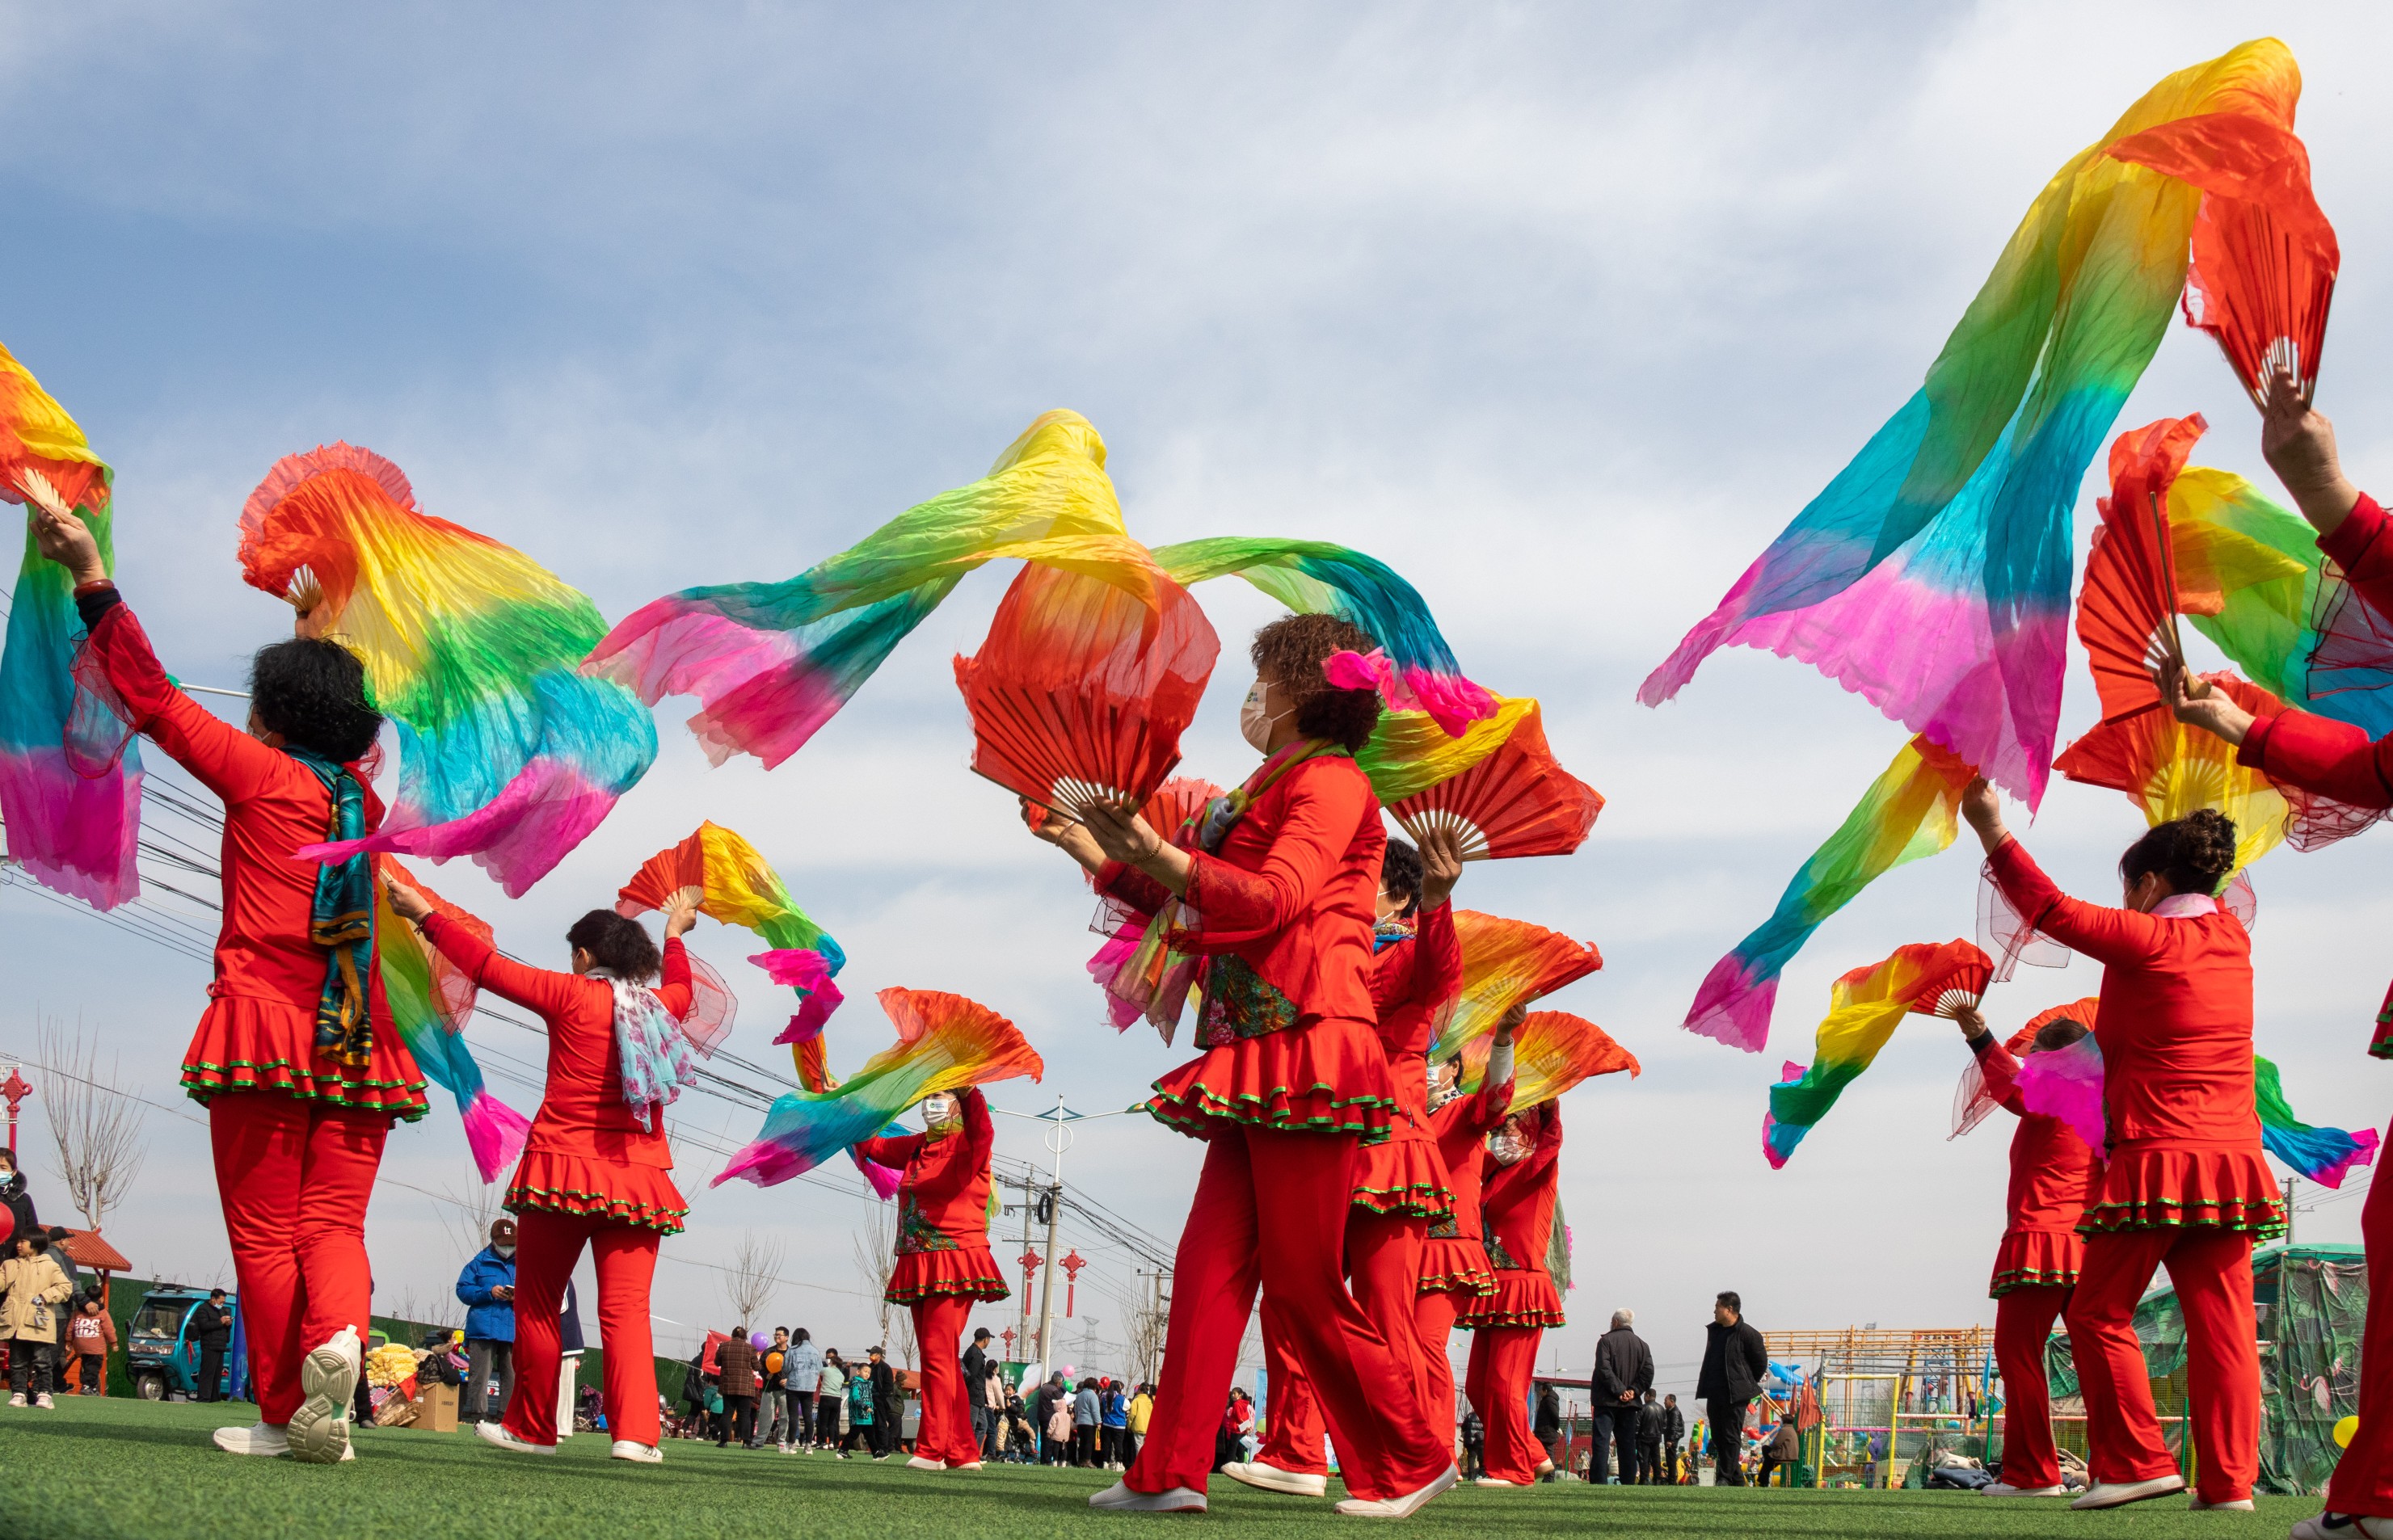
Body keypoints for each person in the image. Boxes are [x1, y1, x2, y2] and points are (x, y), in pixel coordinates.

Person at [1027, 614, 1456, 1517]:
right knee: (1206, 1268)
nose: (1251, 696)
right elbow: (1195, 888)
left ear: (1304, 690)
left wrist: (1149, 849)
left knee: (1303, 1281)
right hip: (1260, 1043)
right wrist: (1092, 848)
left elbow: (1272, 896)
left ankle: (1411, 1453)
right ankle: (1170, 1470)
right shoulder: (1269, 781)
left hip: (1310, 1039)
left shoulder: (1334, 783)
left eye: (1263, 681)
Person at [28, 503, 427, 1464]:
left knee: (263, 1230)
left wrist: (90, 572)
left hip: (266, 1025)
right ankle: (340, 1339)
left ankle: (288, 1413)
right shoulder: (358, 796)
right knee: (334, 1223)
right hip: (360, 1035)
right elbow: (327, 726)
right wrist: (314, 641)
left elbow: (153, 696)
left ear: (274, 716)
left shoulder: (259, 773)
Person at [2159, 377, 2393, 1540]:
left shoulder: (2162, 944)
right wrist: (2236, 724)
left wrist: (2325, 489)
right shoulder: (2203, 943)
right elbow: (2371, 771)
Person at [1966, 787, 2273, 1512]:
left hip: (2158, 1153)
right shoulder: (2233, 939)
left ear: (2148, 885)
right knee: (2223, 1326)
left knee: (2099, 1311)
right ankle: (2229, 1485)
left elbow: (2048, 908)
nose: (2125, 904)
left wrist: (1991, 828)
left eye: (2128, 889)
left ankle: (2137, 1460)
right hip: (2231, 1160)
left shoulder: (2151, 939)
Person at [392, 876, 705, 1462]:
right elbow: (682, 985)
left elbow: (485, 966)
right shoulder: (664, 1006)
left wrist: (425, 914)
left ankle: (533, 1430)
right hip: (639, 1179)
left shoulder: (566, 993)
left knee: (537, 1303)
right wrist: (675, 932)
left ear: (584, 956)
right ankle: (636, 1435)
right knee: (627, 1312)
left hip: (561, 1171)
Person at [1229, 831, 1467, 1502]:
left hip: (1390, 1150)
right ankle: (1297, 1450)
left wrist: (1440, 903)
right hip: (1329, 1142)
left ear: (1392, 893)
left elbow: (1437, 972)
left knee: (1386, 1316)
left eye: (1354, 875)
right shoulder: (1337, 951)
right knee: (1291, 1298)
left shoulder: (1401, 956)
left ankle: (1406, 1463)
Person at [1949, 1000, 2100, 1499]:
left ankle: (2034, 1474)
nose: (2028, 1060)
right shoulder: (2107, 1099)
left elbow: (2011, 1088)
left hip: (2040, 1239)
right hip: (2092, 1243)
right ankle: (2120, 1468)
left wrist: (1979, 1035)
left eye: (2035, 1054)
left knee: (2017, 1353)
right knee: (2102, 1357)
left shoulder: (2054, 1094)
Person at [853, 1088, 1008, 1471]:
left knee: (938, 1358)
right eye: (926, 1095)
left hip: (954, 1259)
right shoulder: (917, 1145)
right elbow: (872, 1145)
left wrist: (969, 1085)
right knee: (938, 1360)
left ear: (957, 1101)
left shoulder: (972, 1143)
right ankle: (961, 1451)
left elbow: (983, 1127)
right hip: (919, 1261)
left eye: (940, 1094)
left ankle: (932, 1448)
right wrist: (846, 1104)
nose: (929, 1103)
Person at [1416, 1008, 1519, 1457]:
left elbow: (1496, 1099)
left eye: (1430, 1061)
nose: (1423, 1071)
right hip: (1404, 1245)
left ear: (1454, 1067)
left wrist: (1502, 1043)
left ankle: (1438, 1455)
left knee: (1425, 1345)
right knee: (1394, 1349)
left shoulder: (1464, 1111)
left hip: (1448, 1247)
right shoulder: (1405, 1116)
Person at [1465, 1098, 1565, 1488]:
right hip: (1490, 1291)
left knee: (1505, 1386)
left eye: (1512, 1128)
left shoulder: (1539, 1168)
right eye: (1501, 1129)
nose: (1504, 1135)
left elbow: (1553, 1137)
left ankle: (1512, 1469)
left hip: (1522, 1289)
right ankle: (1535, 1456)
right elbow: (1469, 1144)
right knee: (1477, 1386)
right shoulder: (1490, 1175)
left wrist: (1547, 1097)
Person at [1696, 1292, 1767, 1487]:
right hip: (1715, 1392)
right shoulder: (1716, 1331)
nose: (1714, 1310)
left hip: (1736, 1394)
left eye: (1717, 1307)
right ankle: (1736, 1478)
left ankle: (1724, 1477)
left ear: (1729, 1310)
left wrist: (1745, 1383)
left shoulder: (1748, 1334)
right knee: (1718, 1436)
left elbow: (1760, 1363)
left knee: (1731, 1435)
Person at [454, 1219, 520, 1426]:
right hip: (482, 1327)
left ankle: (504, 1418)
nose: (508, 1248)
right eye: (504, 1243)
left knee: (511, 1375)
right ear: (493, 1241)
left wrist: (517, 1297)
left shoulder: (525, 1263)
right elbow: (462, 1290)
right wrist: (488, 1292)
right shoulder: (478, 1263)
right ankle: (478, 1417)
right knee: (479, 1375)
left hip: (512, 1327)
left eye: (512, 1243)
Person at [0, 1231, 71, 1407]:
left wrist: (44, 1296)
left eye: (23, 1241)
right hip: (15, 1322)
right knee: (17, 1362)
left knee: (42, 1360)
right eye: (18, 1241)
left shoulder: (50, 1266)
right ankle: (18, 1393)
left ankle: (45, 1394)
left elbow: (65, 1287)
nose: (18, 1245)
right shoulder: (9, 1265)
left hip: (38, 1321)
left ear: (35, 1243)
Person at [1590, 1306, 1653, 1484]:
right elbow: (1648, 1373)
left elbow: (1604, 1368)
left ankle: (1599, 1480)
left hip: (1606, 1401)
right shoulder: (1642, 1345)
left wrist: (1619, 1391)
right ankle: (1628, 1481)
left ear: (1615, 1322)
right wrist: (1633, 1391)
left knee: (1602, 1442)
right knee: (1627, 1444)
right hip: (1630, 1404)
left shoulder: (1606, 1342)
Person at [717, 1329, 760, 1449]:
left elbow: (716, 1362)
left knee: (727, 1413)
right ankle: (746, 1442)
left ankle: (723, 1441)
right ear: (745, 1337)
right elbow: (757, 1367)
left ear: (732, 1335)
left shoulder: (723, 1346)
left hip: (728, 1385)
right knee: (745, 1415)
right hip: (745, 1387)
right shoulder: (750, 1348)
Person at [66, 1295, 116, 1395]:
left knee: (86, 1364)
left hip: (81, 1344)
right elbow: (109, 1329)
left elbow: (71, 1326)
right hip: (96, 1345)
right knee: (94, 1365)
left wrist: (68, 1340)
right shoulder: (102, 1312)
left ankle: (90, 1386)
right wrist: (114, 1343)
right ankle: (88, 1386)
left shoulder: (78, 1311)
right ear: (101, 1298)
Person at [192, 1289, 234, 1403]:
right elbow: (204, 1326)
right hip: (209, 1345)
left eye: (223, 1302)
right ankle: (203, 1398)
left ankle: (215, 1398)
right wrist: (220, 1322)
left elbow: (224, 1327)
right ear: (213, 1299)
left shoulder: (223, 1310)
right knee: (207, 1373)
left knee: (217, 1374)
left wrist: (228, 1324)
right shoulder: (203, 1309)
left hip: (220, 1345)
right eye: (220, 1302)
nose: (222, 1304)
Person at [786, 1328, 823, 1453]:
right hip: (809, 1387)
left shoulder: (792, 1350)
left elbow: (786, 1368)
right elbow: (820, 1369)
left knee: (793, 1416)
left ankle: (792, 1445)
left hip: (793, 1386)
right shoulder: (815, 1351)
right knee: (808, 1416)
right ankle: (808, 1445)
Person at [962, 1328, 995, 1458]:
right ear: (986, 1339)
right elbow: (971, 1376)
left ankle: (973, 1453)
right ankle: (968, 1454)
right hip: (974, 1395)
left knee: (983, 1425)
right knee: (972, 1426)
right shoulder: (976, 1354)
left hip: (978, 1397)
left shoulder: (972, 1351)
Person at [758, 1328, 790, 1450]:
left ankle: (782, 1442)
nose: (777, 1337)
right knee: (765, 1416)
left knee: (785, 1417)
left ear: (786, 1337)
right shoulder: (768, 1352)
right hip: (769, 1389)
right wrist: (765, 1374)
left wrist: (789, 1380)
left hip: (785, 1391)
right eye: (775, 1335)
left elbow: (796, 1370)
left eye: (779, 1335)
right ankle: (759, 1441)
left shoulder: (791, 1353)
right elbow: (760, 1367)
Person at [0, 1150, 37, 1255]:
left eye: (3, 1168)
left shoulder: (24, 1200)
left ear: (14, 1172)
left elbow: (33, 1232)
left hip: (14, 1261)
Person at [866, 1345, 899, 1460]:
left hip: (881, 1401)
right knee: (871, 1425)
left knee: (881, 1425)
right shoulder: (869, 1368)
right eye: (870, 1354)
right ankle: (874, 1448)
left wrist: (881, 1397)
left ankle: (883, 1448)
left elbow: (889, 1387)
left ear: (879, 1355)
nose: (871, 1356)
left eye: (873, 1354)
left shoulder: (885, 1368)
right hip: (870, 1400)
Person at [813, 1348, 844, 1450]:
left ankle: (824, 1444)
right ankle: (831, 1442)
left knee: (823, 1422)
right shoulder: (841, 1375)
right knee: (832, 1423)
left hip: (826, 1397)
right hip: (837, 1399)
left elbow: (818, 1371)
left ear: (832, 1362)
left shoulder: (826, 1370)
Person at [1532, 1385, 1564, 1481]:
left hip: (1547, 1432)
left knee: (1549, 1453)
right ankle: (1547, 1476)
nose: (1540, 1392)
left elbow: (1555, 1416)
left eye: (1541, 1390)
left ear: (1545, 1390)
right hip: (1545, 1431)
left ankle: (1549, 1477)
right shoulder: (1548, 1399)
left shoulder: (1549, 1400)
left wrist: (1555, 1427)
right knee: (1546, 1453)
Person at [1759, 1414, 1799, 1487]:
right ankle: (1763, 1480)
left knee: (1765, 1449)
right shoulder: (1792, 1429)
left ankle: (1763, 1480)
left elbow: (1776, 1444)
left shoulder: (1784, 1430)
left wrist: (1772, 1447)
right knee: (1768, 1463)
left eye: (1781, 1420)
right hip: (1791, 1453)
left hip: (1785, 1454)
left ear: (1784, 1421)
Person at [1636, 1389, 1665, 1484]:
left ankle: (1644, 1479)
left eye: (1644, 1396)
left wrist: (1635, 1435)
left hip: (1644, 1438)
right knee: (1656, 1459)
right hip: (1657, 1438)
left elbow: (1637, 1424)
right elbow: (1665, 1425)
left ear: (1648, 1395)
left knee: (1644, 1459)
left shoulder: (1643, 1408)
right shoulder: (1661, 1409)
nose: (1644, 1398)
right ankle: (1657, 1479)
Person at [1657, 1393, 1685, 1485]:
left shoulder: (1675, 1412)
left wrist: (1671, 1440)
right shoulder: (1669, 1411)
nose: (1664, 1402)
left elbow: (1674, 1427)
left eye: (1666, 1400)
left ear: (1672, 1402)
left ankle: (1672, 1479)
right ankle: (1671, 1478)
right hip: (1669, 1437)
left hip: (1671, 1439)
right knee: (1669, 1459)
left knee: (1671, 1459)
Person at [1126, 1381, 1152, 1467]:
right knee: (1147, 1448)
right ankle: (1147, 1464)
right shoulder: (1151, 1401)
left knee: (1139, 1447)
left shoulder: (1137, 1400)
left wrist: (1129, 1425)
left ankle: (1140, 1465)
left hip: (1138, 1427)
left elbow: (1132, 1415)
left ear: (1140, 1390)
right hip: (1149, 1428)